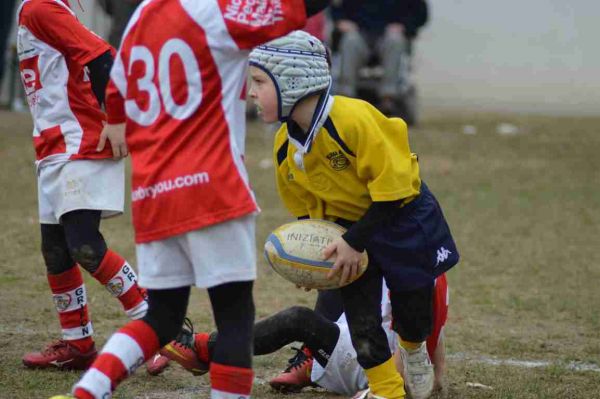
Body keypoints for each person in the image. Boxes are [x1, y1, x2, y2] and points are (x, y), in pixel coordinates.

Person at [48, 0, 330, 398]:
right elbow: (294, 8)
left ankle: (87, 392)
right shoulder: (215, 11)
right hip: (210, 184)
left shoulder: (142, 14)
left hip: (154, 192)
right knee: (234, 318)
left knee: (162, 318)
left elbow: (116, 86)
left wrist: (115, 121)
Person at [247, 30, 459, 399]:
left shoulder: (354, 119)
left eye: (260, 82)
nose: (251, 92)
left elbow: (393, 193)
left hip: (402, 218)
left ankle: (412, 350)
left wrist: (353, 241)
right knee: (362, 321)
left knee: (413, 313)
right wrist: (312, 258)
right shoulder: (285, 145)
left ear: (293, 81)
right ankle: (387, 391)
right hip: (347, 231)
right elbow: (305, 212)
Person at [15, 0, 149, 371]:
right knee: (56, 251)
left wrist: (116, 119)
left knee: (85, 246)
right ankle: (79, 344)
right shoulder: (36, 9)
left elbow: (102, 56)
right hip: (53, 146)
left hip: (80, 141)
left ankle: (159, 328)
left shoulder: (40, 9)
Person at [160, 274, 449, 397]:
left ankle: (202, 349)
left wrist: (383, 388)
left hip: (373, 362)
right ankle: (311, 363)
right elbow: (437, 333)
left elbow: (415, 340)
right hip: (367, 340)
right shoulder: (416, 257)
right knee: (342, 268)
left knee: (298, 320)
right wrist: (438, 377)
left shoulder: (413, 278)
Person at [331, 0, 428, 120]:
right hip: (358, 33)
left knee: (395, 40)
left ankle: (388, 99)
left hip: (390, 35)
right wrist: (341, 21)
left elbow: (420, 13)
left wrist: (404, 26)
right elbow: (335, 8)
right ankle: (345, 97)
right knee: (350, 41)